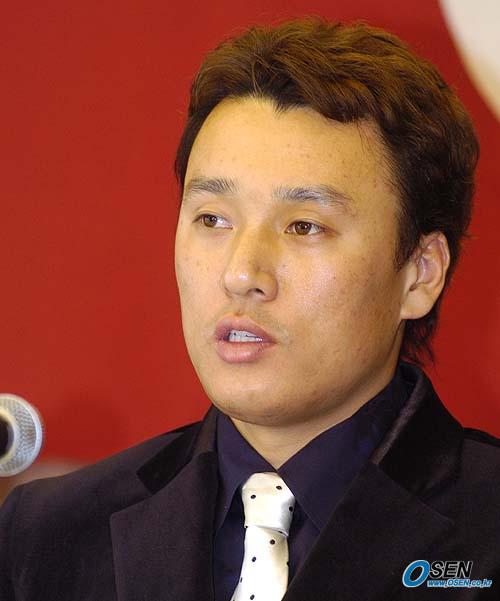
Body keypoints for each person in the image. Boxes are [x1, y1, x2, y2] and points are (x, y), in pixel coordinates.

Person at [1, 17, 499, 601]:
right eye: (213, 219)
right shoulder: (48, 537)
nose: (241, 274)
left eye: (304, 226)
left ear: (420, 272)